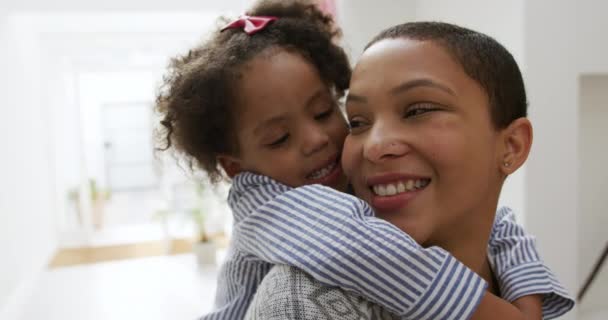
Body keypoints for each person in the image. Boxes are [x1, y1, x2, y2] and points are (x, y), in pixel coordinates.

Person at [155, 1, 573, 319]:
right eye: (279, 137)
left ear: (511, 145)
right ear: (236, 167)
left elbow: (501, 226)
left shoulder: (351, 185)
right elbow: (377, 258)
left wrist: (527, 301)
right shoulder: (275, 211)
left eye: (328, 114)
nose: (318, 139)